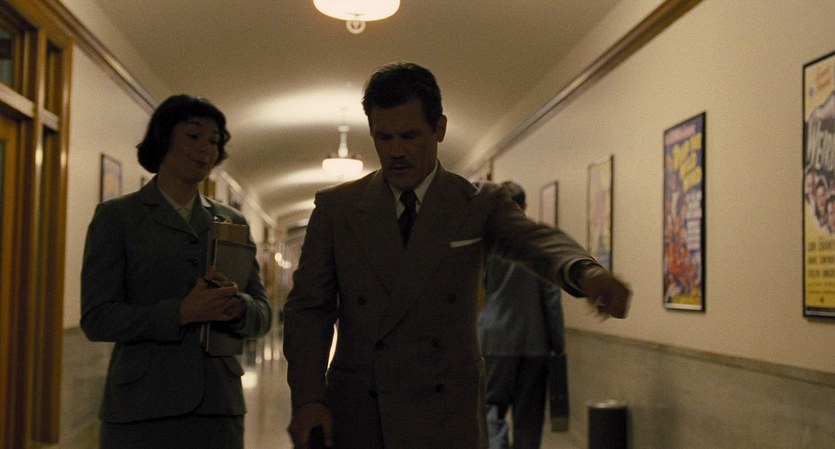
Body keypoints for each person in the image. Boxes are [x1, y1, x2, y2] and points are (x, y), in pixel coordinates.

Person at [283, 62, 630, 449]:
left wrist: (584, 271)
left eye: (410, 136)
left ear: (440, 128)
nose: (396, 152)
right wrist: (308, 398)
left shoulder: (476, 204)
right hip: (362, 412)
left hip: (447, 413)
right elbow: (308, 310)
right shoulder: (338, 209)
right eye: (384, 137)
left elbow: (534, 240)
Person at [80, 94, 272, 449]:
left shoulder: (232, 221)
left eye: (214, 141)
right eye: (194, 135)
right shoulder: (118, 217)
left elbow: (262, 314)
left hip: (218, 405)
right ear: (164, 137)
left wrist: (238, 307)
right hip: (141, 406)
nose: (206, 149)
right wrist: (181, 313)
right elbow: (97, 319)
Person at [478, 181, 566, 449]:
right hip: (534, 342)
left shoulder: (485, 243)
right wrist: (557, 344)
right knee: (529, 417)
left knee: (490, 407)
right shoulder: (538, 243)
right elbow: (551, 298)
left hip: (493, 339)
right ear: (524, 206)